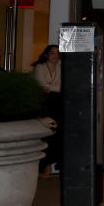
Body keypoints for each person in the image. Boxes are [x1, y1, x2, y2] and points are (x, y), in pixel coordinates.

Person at [32, 44, 62, 177]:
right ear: (46, 55)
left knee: (55, 135)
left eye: (57, 52)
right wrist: (52, 88)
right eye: (52, 52)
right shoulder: (40, 67)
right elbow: (41, 85)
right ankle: (44, 168)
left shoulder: (60, 67)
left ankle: (49, 168)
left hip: (56, 104)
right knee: (44, 134)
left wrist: (51, 88)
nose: (55, 55)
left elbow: (61, 87)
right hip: (43, 104)